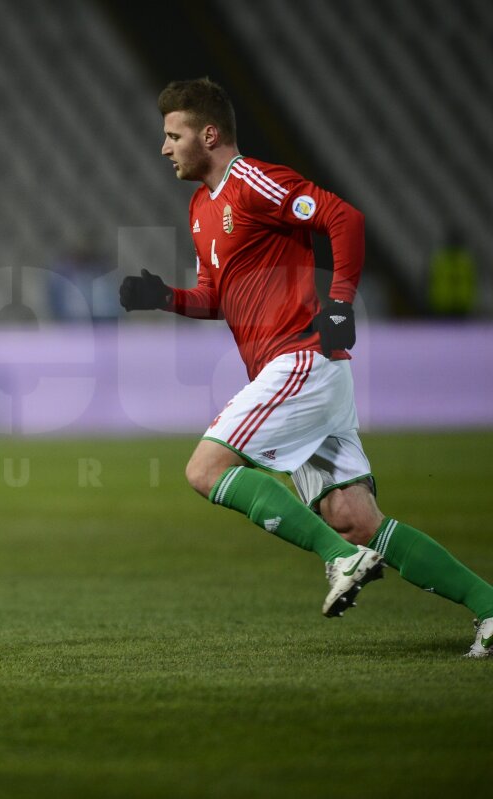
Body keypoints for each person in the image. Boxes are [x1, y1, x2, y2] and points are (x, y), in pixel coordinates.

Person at [118, 78, 493, 658]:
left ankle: (341, 560)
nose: (164, 147)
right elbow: (217, 297)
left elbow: (344, 220)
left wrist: (340, 302)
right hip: (306, 372)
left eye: (174, 135)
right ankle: (489, 608)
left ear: (209, 134)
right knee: (354, 518)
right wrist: (165, 297)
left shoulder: (251, 181)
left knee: (205, 469)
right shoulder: (200, 208)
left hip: (299, 358)